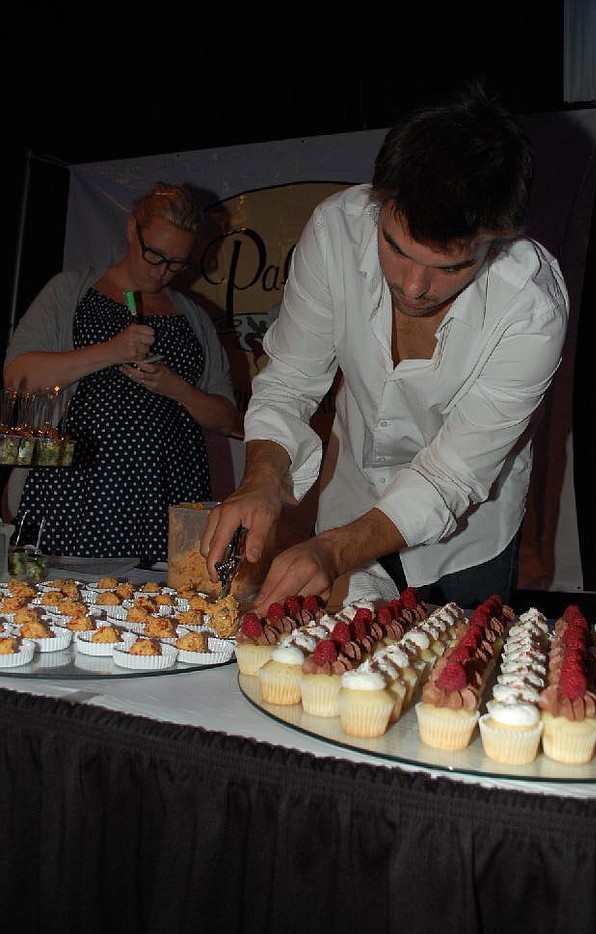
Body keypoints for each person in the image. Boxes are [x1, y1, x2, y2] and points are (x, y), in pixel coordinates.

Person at [200, 83, 569, 615]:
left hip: (465, 539)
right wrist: (261, 480)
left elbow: (450, 477)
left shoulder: (531, 309)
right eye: (396, 249)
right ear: (379, 200)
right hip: (350, 493)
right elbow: (291, 379)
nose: (415, 286)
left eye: (450, 267)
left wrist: (333, 549)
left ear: (498, 237)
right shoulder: (336, 231)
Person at [4, 181, 242, 564]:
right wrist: (110, 351)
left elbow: (225, 415)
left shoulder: (193, 316)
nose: (163, 271)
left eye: (176, 263)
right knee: (67, 608)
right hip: (75, 494)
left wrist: (176, 388)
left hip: (169, 494)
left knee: (161, 611)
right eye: (155, 256)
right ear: (132, 230)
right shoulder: (71, 291)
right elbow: (17, 377)